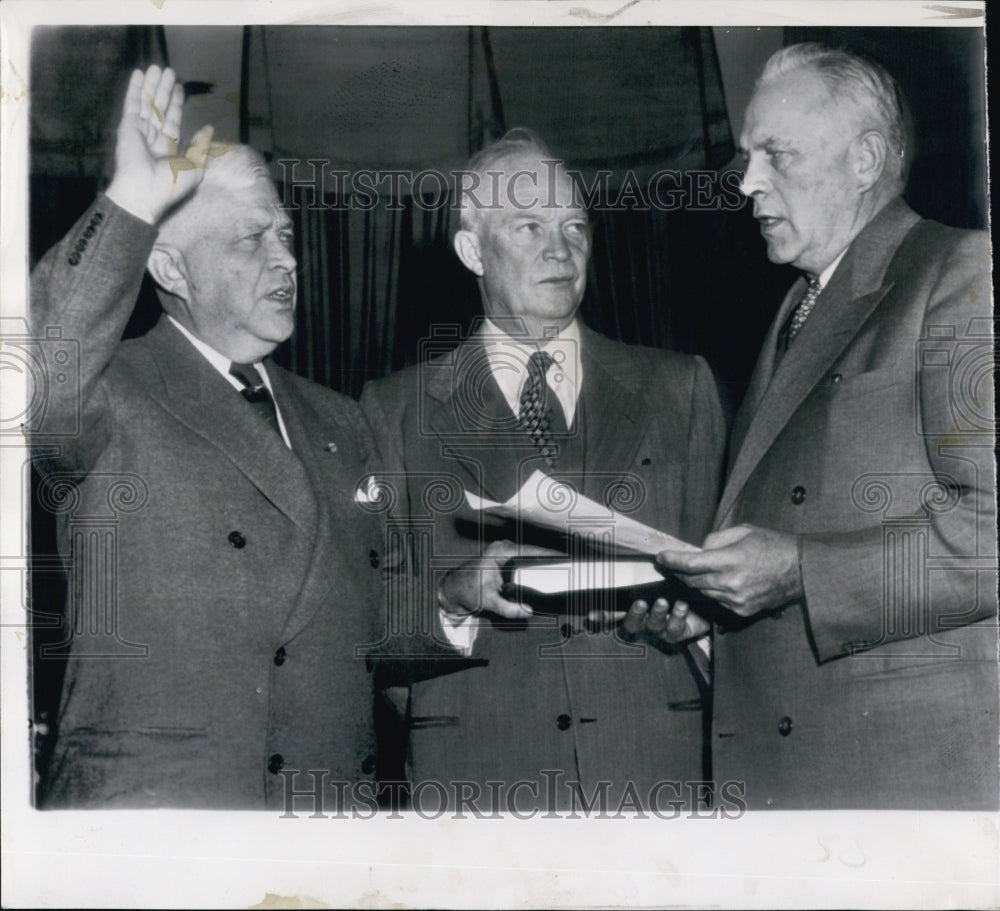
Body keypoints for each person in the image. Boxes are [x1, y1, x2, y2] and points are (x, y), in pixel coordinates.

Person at [633, 44, 998, 809]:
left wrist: (800, 569)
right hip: (800, 776)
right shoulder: (795, 310)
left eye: (777, 154)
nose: (748, 183)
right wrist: (710, 610)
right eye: (745, 157)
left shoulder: (960, 272)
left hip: (902, 786)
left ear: (865, 159)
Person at [30, 66, 392, 809]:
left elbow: (365, 627)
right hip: (159, 828)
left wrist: (457, 599)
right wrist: (133, 193)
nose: (287, 258)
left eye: (286, 234)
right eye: (252, 238)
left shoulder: (342, 421)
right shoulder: (106, 391)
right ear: (170, 267)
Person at [360, 130, 726, 812]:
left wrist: (699, 621)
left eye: (574, 226)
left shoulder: (683, 389)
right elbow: (360, 618)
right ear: (473, 249)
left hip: (652, 771)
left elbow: (734, 582)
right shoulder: (393, 409)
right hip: (479, 778)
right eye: (529, 226)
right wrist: (449, 597)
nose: (560, 249)